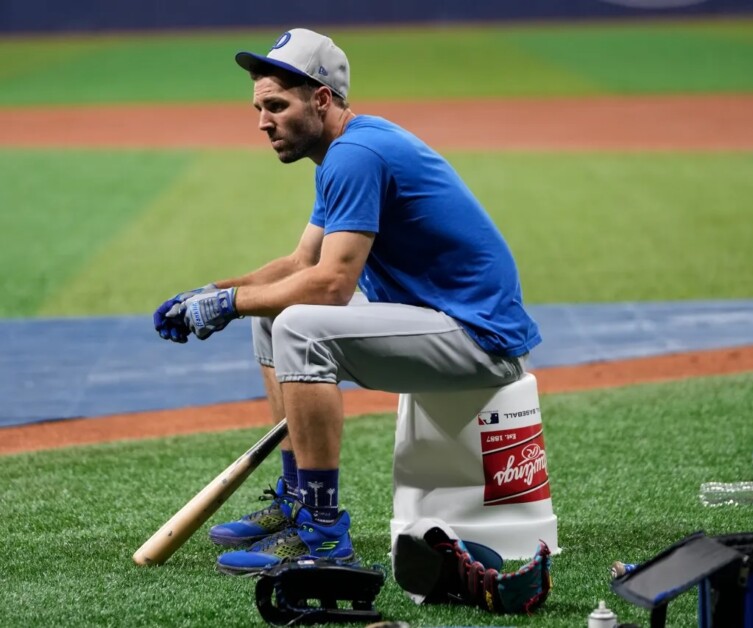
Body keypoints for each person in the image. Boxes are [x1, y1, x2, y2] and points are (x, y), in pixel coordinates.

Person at [153, 28, 542, 576]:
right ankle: (295, 499)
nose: (263, 121)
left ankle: (322, 536)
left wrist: (231, 303)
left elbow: (332, 284)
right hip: (438, 319)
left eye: (276, 106)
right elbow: (298, 266)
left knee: (298, 326)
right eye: (259, 107)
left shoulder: (355, 155)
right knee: (272, 318)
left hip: (480, 338)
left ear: (321, 99)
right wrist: (214, 293)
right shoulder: (345, 149)